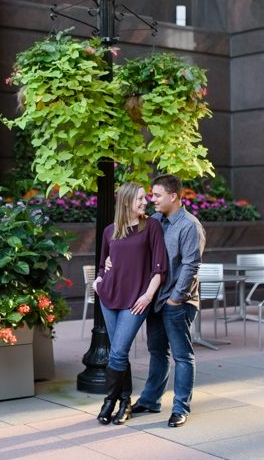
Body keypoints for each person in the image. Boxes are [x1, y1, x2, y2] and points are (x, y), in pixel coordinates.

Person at [131, 173, 205, 428]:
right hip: (156, 299)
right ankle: (150, 400)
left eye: (157, 195)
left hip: (178, 301)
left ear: (173, 196)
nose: (152, 200)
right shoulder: (154, 221)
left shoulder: (189, 225)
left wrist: (176, 299)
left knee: (182, 356)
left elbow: (191, 264)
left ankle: (180, 407)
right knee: (157, 351)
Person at [92, 182, 166, 425]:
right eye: (140, 199)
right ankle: (124, 403)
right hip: (109, 297)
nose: (145, 202)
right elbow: (103, 263)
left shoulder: (151, 226)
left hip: (135, 301)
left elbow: (159, 268)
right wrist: (99, 280)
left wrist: (147, 296)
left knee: (118, 351)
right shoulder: (110, 231)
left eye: (146, 198)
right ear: (126, 202)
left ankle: (109, 401)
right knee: (118, 353)